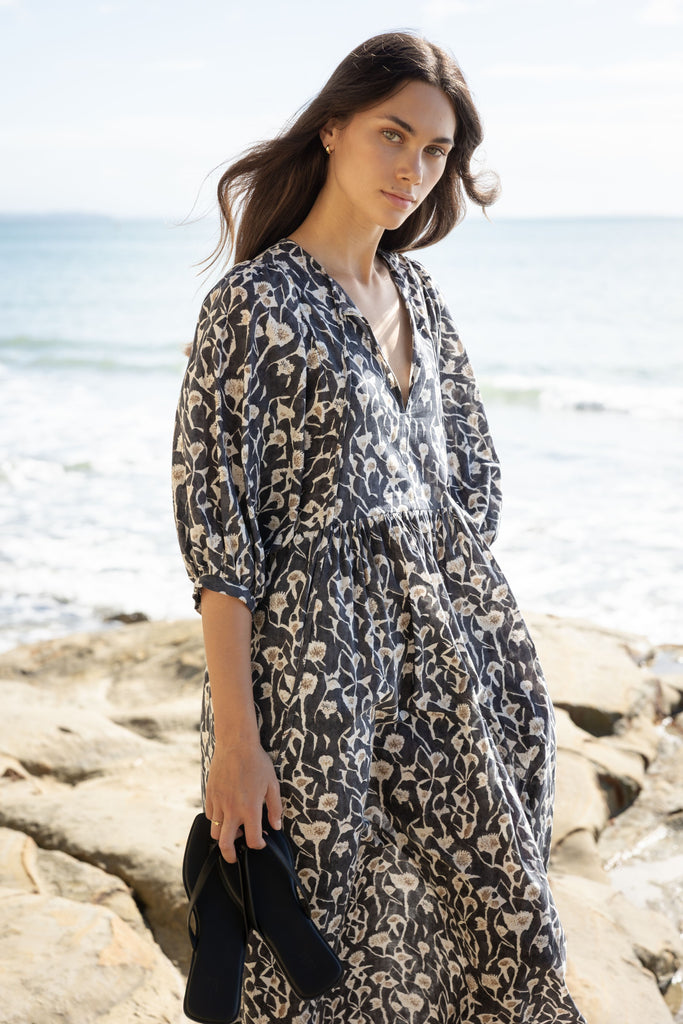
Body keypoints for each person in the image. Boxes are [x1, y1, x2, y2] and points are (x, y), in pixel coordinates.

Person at [172, 30, 587, 1024]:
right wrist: (238, 740)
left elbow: (469, 477)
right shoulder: (253, 305)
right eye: (391, 136)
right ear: (332, 130)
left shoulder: (420, 297)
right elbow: (219, 533)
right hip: (311, 688)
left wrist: (457, 619)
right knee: (323, 950)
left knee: (503, 926)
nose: (413, 168)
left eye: (436, 151)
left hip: (448, 678)